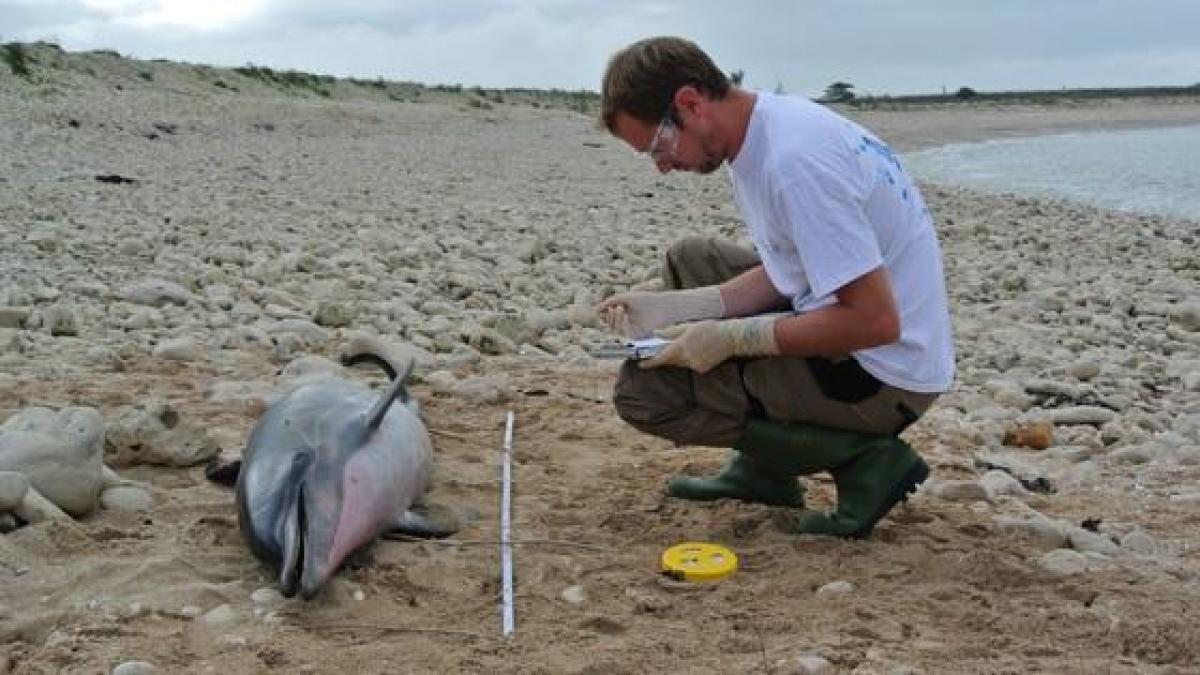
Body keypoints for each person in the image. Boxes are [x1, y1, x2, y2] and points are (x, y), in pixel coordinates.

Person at [595, 36, 955, 538]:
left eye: (658, 146)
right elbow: (793, 271)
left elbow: (875, 321)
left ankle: (864, 459)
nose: (661, 165)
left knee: (643, 395)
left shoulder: (794, 164)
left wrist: (735, 339)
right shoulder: (765, 128)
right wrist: (678, 307)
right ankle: (765, 471)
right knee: (691, 259)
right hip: (875, 338)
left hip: (884, 377)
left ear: (690, 104)